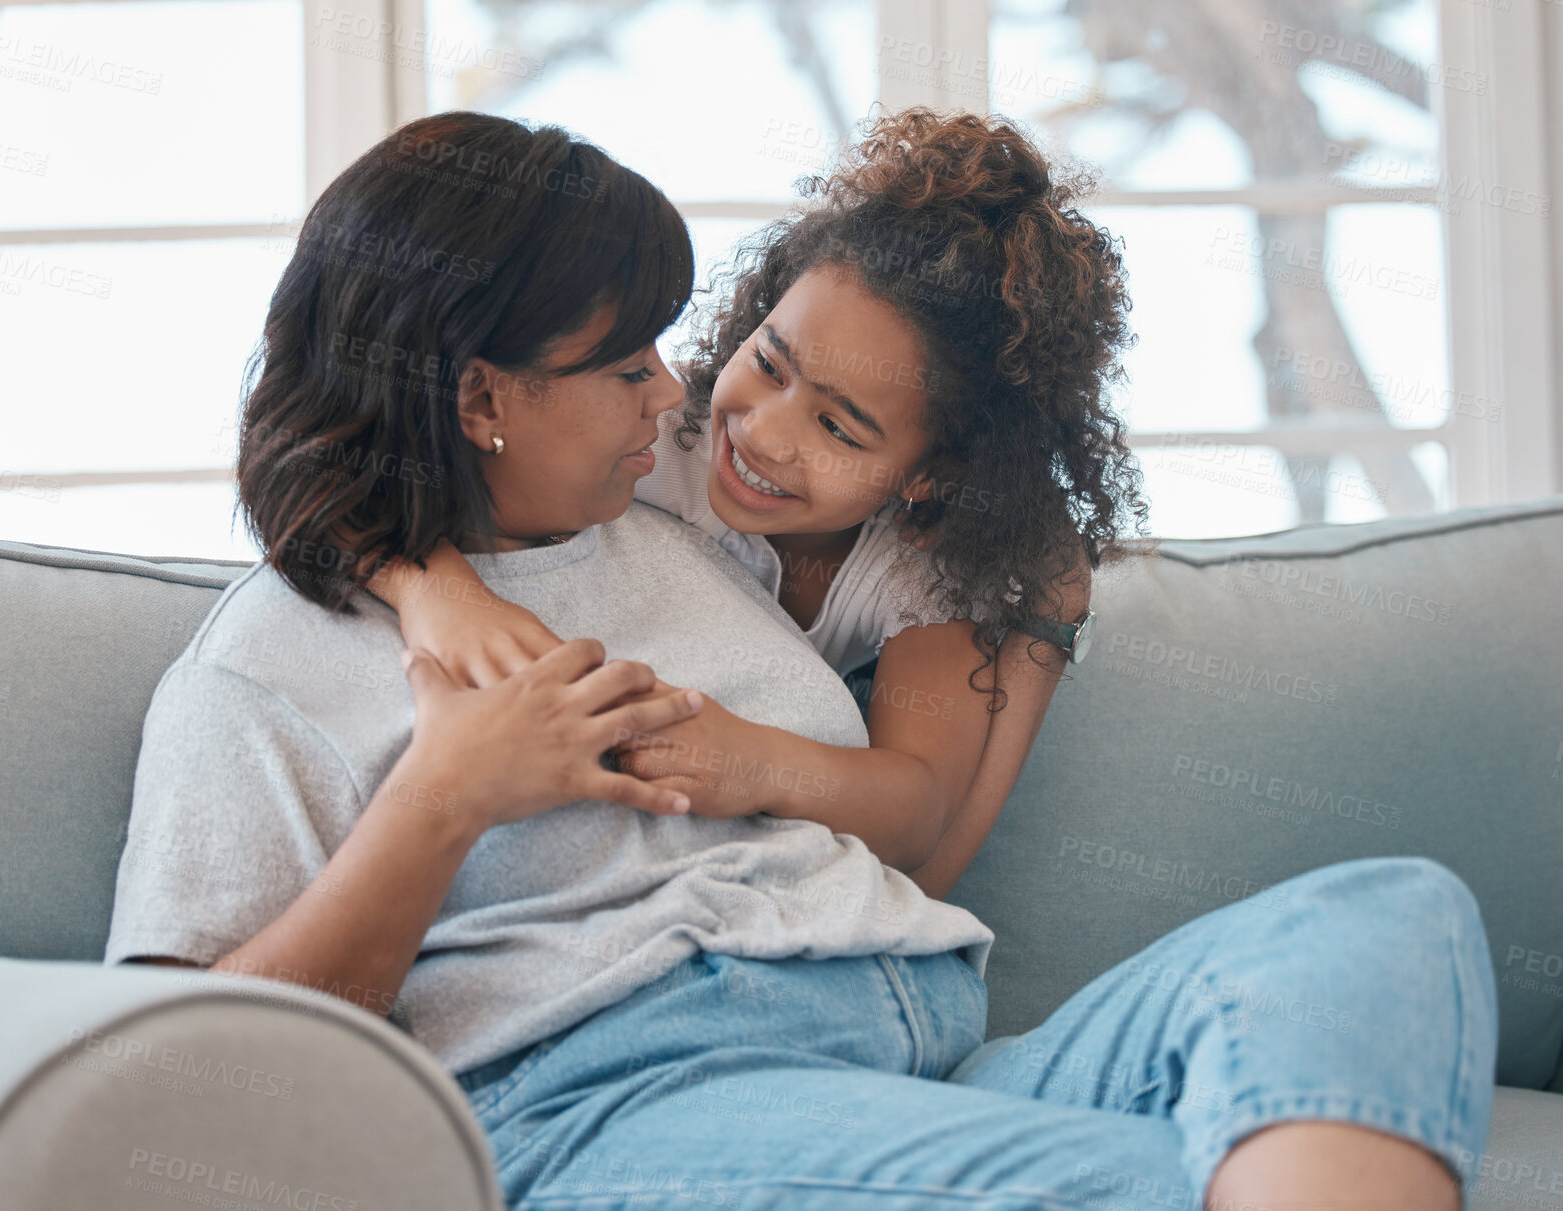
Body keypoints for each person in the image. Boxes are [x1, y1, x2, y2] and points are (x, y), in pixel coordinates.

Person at [105, 110, 1497, 1211]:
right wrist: (441, 796)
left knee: (1389, 913)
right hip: (627, 1098)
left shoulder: (673, 519)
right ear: (480, 398)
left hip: (938, 1053)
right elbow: (180, 1083)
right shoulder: (264, 676)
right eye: (625, 364)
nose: (685, 397)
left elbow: (921, 791)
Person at [365, 109, 1124, 900]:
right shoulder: (664, 425)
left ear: (927, 478)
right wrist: (437, 592)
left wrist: (752, 760)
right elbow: (352, 473)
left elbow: (918, 807)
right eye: (769, 362)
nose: (762, 433)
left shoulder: (924, 562)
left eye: (837, 427)